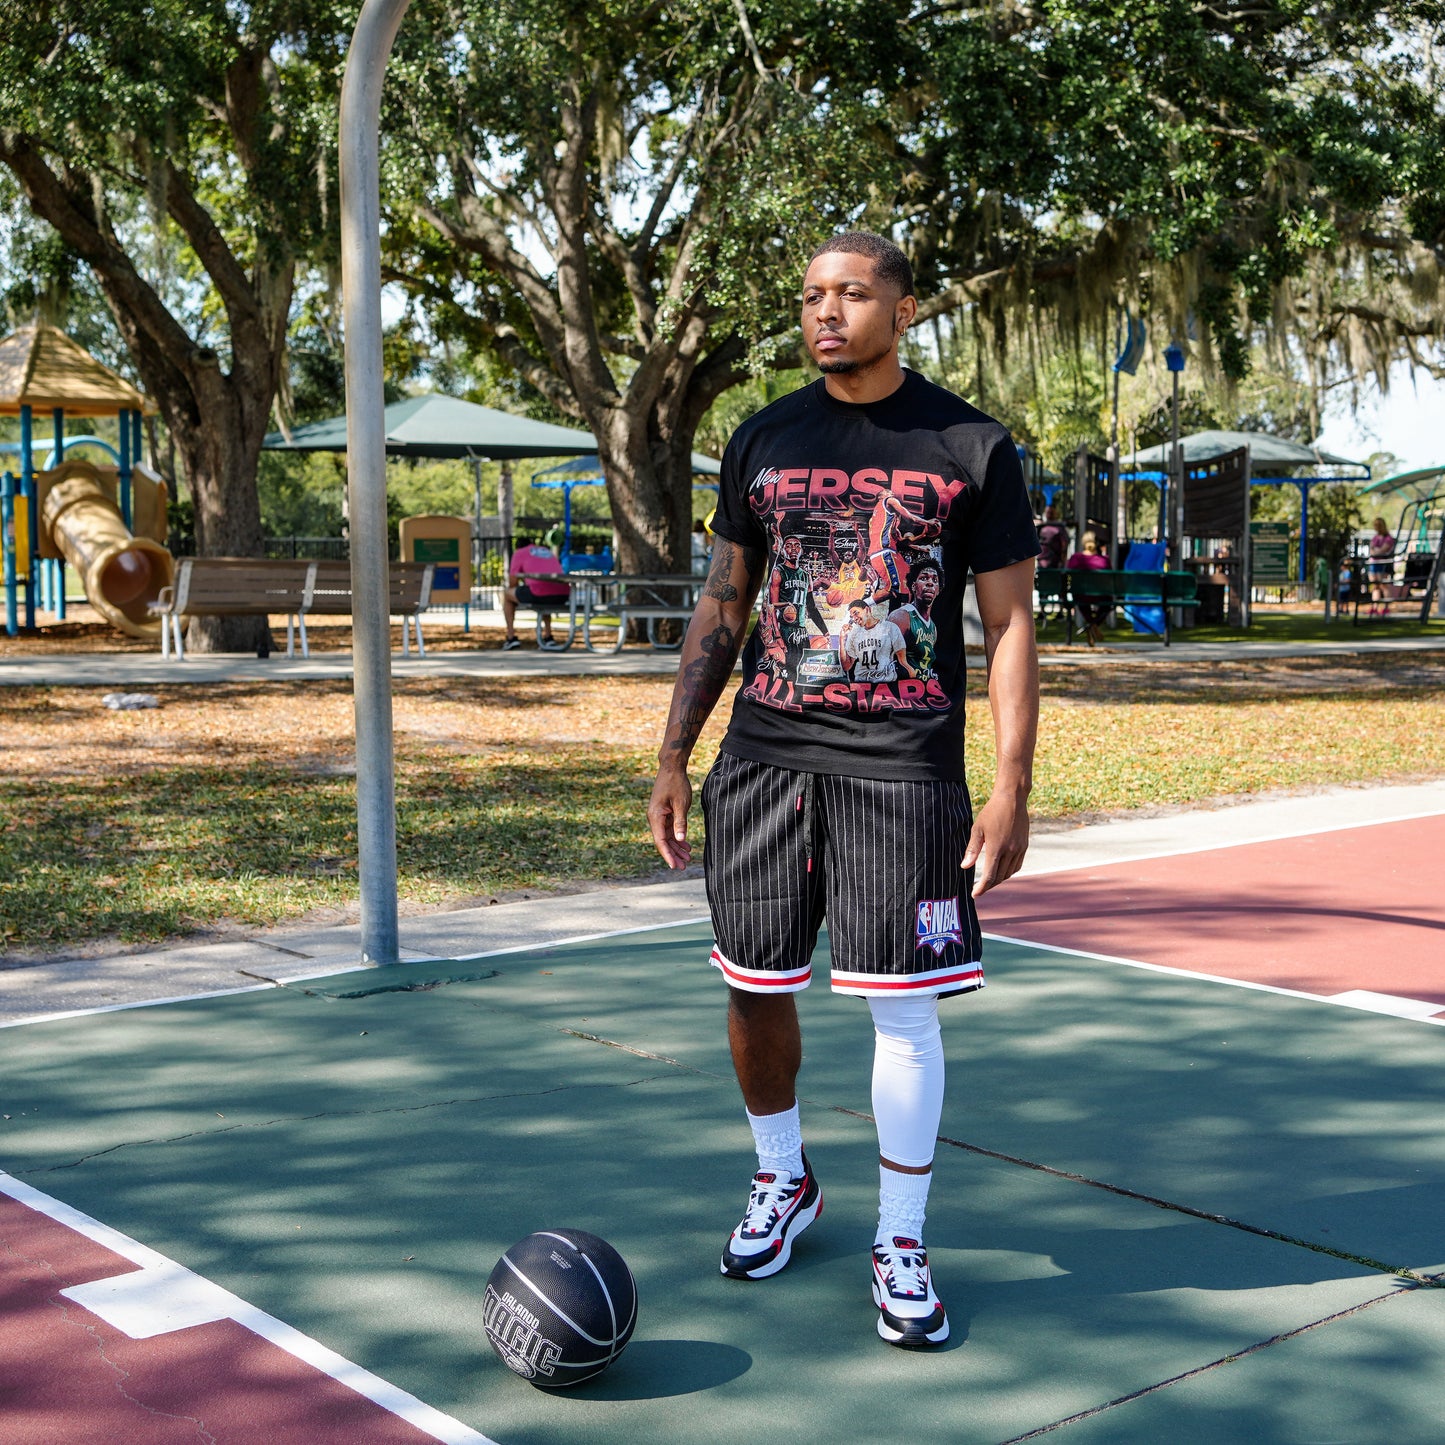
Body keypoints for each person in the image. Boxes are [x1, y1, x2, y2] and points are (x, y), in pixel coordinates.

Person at [647, 231, 1039, 1351]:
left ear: (902, 307)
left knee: (900, 1009)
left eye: (851, 293)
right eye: (813, 295)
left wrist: (1008, 785)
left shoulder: (970, 444)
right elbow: (725, 603)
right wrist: (675, 752)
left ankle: (900, 1241)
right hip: (766, 758)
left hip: (903, 767)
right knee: (752, 981)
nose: (826, 312)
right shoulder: (763, 436)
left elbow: (1009, 625)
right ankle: (783, 1179)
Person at [501, 537, 569, 650]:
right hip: (563, 593)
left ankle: (510, 637)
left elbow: (513, 582)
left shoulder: (519, 553)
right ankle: (548, 637)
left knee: (507, 595)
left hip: (539, 592)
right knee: (546, 595)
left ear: (517, 547)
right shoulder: (546, 551)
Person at [1065, 528, 1110, 645]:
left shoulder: (1075, 558)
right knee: (1108, 602)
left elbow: (1067, 574)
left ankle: (1091, 624)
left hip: (1081, 595)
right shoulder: (1104, 560)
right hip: (1100, 596)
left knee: (1080, 598)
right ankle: (1094, 625)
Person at [1367, 516, 1396, 616]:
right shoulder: (1375, 538)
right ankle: (1374, 608)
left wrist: (1375, 551)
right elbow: (1371, 550)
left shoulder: (1388, 538)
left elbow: (1381, 551)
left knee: (1384, 586)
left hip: (1382, 564)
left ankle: (1386, 608)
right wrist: (1374, 551)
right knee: (1375, 586)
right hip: (1373, 564)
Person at [1036, 504, 1069, 570]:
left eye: (1051, 512)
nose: (1049, 514)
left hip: (1050, 563)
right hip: (1047, 563)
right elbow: (1065, 545)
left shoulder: (1041, 527)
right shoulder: (1041, 527)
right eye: (1048, 512)